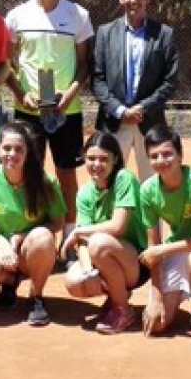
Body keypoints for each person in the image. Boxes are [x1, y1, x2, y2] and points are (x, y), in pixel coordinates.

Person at [5, 0, 93, 237]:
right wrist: (21, 96)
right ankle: (33, 235)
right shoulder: (17, 16)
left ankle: (70, 236)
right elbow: (6, 64)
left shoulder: (78, 15)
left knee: (67, 175)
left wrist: (68, 94)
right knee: (28, 174)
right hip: (28, 112)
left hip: (67, 111)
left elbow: (84, 65)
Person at [0, 122, 66, 326]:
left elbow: (58, 223)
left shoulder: (46, 182)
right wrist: (3, 245)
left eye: (19, 149)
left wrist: (23, 237)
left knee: (43, 237)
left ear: (28, 152)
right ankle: (9, 281)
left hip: (32, 248)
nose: (12, 154)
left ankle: (36, 296)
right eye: (6, 148)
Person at [138, 125, 191, 343]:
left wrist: (161, 250)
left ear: (180, 155)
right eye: (154, 156)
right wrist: (155, 297)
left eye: (167, 154)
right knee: (157, 324)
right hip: (180, 245)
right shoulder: (147, 190)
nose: (161, 161)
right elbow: (152, 246)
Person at [93, 0, 179, 181]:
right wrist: (120, 110)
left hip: (149, 121)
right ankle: (111, 215)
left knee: (152, 182)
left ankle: (149, 215)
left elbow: (170, 80)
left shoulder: (164, 34)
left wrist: (143, 108)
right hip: (114, 120)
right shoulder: (105, 33)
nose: (134, 0)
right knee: (108, 178)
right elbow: (97, 78)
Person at [61, 131, 146, 335]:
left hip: (136, 263)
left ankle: (123, 310)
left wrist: (79, 232)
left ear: (115, 159)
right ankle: (117, 298)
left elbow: (118, 227)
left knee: (99, 243)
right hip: (104, 257)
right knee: (74, 282)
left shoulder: (124, 179)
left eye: (103, 159)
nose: (96, 164)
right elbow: (82, 242)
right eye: (91, 158)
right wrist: (89, 271)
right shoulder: (84, 193)